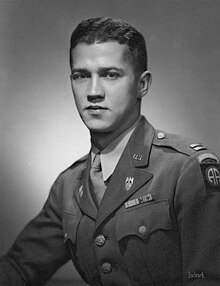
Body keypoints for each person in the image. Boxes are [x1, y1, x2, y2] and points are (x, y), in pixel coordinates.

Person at [0, 17, 220, 286]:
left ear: (142, 85)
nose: (93, 92)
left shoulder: (185, 169)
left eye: (110, 74)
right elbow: (19, 268)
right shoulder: (68, 185)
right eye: (81, 75)